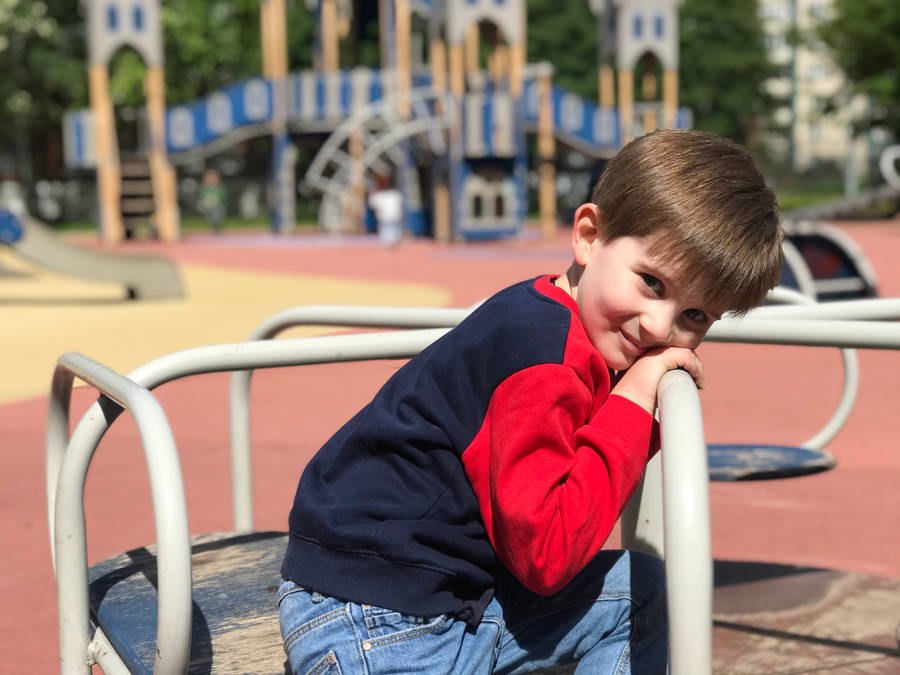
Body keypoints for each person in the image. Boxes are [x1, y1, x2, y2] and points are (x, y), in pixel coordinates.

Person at [278, 130, 783, 673]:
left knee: (643, 592)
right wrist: (634, 401)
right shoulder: (542, 358)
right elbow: (547, 555)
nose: (660, 325)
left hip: (447, 596)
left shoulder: (553, 317)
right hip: (382, 617)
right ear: (589, 235)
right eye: (652, 283)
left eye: (695, 317)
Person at [368, 173, 404, 247]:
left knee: (388, 235)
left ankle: (390, 243)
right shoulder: (396, 194)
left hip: (387, 217)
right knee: (392, 233)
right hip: (392, 217)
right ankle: (392, 242)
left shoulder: (380, 195)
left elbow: (372, 205)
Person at [198, 168, 226, 233]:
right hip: (207, 207)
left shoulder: (220, 188)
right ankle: (213, 224)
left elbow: (221, 199)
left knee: (217, 214)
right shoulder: (203, 188)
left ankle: (216, 226)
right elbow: (201, 198)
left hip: (217, 207)